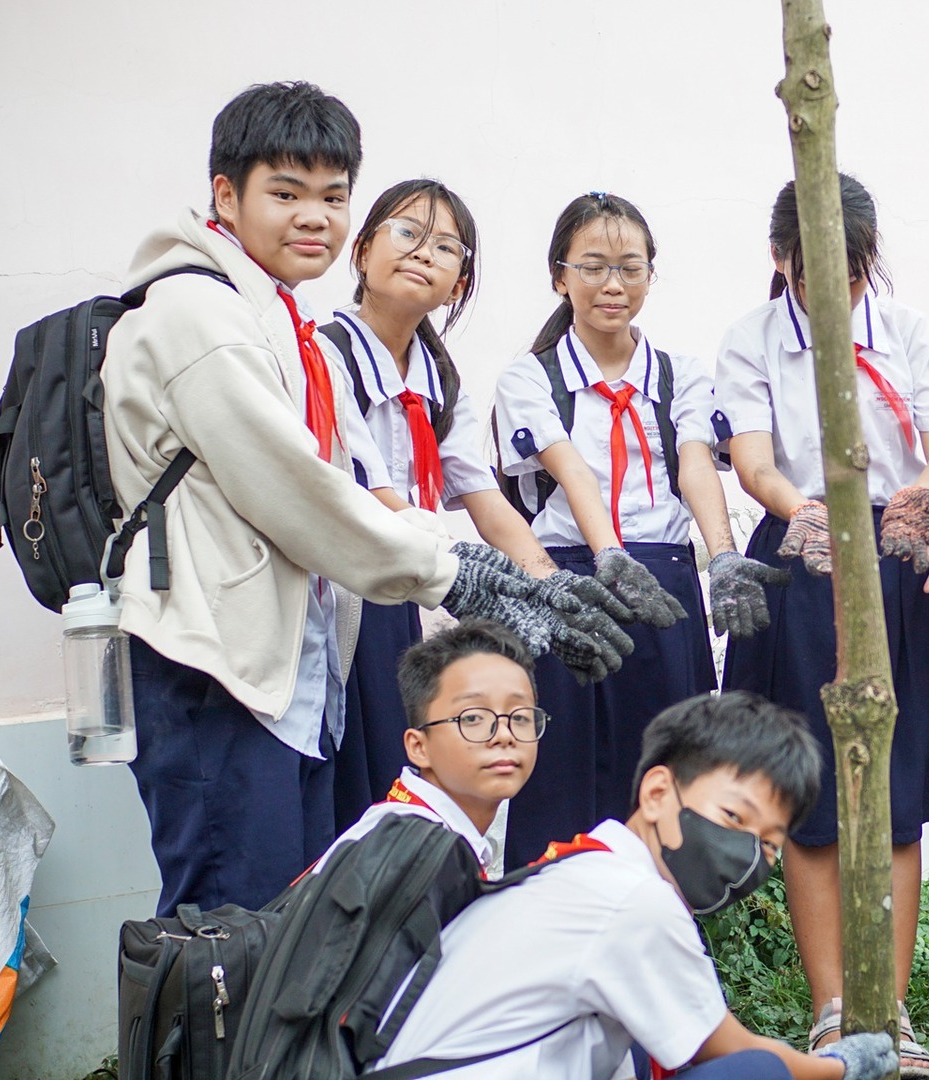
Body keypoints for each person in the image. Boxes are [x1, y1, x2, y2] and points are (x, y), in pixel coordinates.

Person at [100, 81, 631, 916]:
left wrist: (516, 576)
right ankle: (214, 1055)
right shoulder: (199, 316)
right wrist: (462, 576)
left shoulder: (275, 316)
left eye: (332, 196)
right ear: (224, 195)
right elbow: (308, 496)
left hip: (287, 673)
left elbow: (388, 493)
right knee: (228, 940)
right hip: (215, 669)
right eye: (285, 193)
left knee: (292, 927)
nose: (313, 216)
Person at [716, 174, 929, 1073]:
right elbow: (751, 459)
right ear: (781, 259)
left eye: (856, 271)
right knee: (811, 794)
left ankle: (888, 1010)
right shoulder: (751, 341)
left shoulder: (901, 332)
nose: (840, 289)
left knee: (894, 794)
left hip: (893, 565)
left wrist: (922, 496)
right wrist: (803, 512)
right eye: (819, 267)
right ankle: (832, 1007)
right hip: (803, 564)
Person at [372, 691, 898, 1080]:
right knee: (754, 1073)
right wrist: (840, 1066)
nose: (747, 856)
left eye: (768, 844)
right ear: (657, 793)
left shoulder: (586, 868)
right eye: (734, 817)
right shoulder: (631, 899)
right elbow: (725, 1048)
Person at [494, 191, 783, 868]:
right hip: (569, 589)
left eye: (630, 266)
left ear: (652, 275)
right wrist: (609, 556)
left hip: (667, 592)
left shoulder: (682, 374)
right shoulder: (529, 377)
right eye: (592, 266)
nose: (613, 285)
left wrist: (722, 557)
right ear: (559, 276)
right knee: (560, 778)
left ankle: (665, 934)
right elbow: (571, 471)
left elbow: (694, 464)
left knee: (664, 778)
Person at [321, 178, 605, 832]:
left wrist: (551, 585)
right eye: (407, 233)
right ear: (361, 252)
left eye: (447, 247)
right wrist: (483, 580)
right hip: (340, 604)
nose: (424, 252)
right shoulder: (325, 353)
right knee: (356, 800)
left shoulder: (439, 377)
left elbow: (488, 503)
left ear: (459, 284)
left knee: (411, 797)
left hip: (407, 600)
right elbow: (373, 494)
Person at [310, 619, 541, 880]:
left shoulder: (431, 836)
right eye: (473, 718)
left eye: (520, 717)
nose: (503, 735)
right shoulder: (408, 854)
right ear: (419, 747)